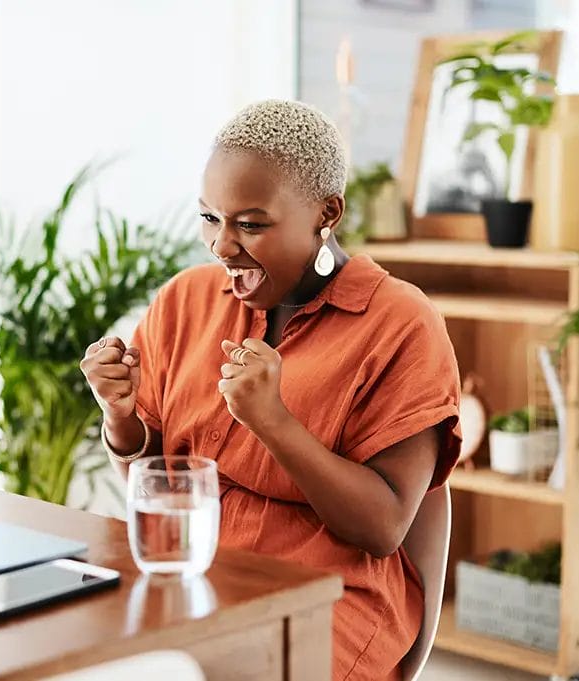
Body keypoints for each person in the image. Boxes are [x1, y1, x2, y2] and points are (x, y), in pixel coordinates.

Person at [80, 99, 462, 681]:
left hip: (327, 600)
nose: (221, 246)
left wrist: (274, 422)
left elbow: (383, 527)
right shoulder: (186, 300)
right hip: (192, 577)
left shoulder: (400, 324)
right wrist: (120, 417)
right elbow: (155, 484)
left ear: (325, 214)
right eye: (209, 218)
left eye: (251, 224)